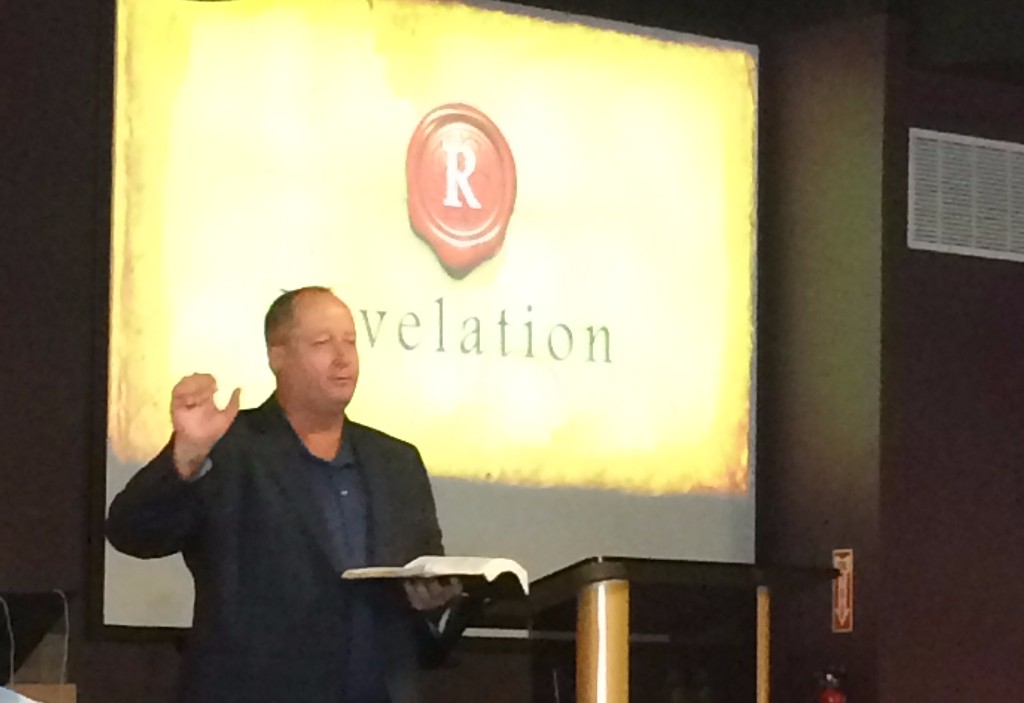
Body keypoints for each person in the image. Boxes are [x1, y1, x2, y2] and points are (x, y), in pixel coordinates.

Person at [106, 286, 465, 703]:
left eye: (350, 341)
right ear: (277, 356)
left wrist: (432, 604)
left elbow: (426, 599)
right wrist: (186, 455)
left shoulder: (397, 461)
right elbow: (132, 533)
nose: (342, 357)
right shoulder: (230, 447)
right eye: (322, 342)